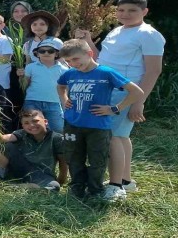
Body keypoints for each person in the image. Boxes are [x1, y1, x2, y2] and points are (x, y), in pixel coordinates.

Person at [77, 0, 165, 194]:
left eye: (132, 10)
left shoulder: (148, 34)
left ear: (144, 12)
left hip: (125, 92)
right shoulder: (116, 31)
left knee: (112, 137)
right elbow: (101, 60)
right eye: (121, 10)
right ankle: (126, 181)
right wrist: (89, 40)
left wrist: (138, 102)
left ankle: (115, 187)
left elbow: (153, 70)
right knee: (122, 137)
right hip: (107, 90)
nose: (125, 14)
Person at [57, 39, 144, 202]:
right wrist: (64, 99)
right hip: (72, 124)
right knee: (74, 158)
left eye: (75, 59)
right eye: (68, 61)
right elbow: (60, 86)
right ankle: (77, 187)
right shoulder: (70, 73)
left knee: (98, 159)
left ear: (89, 54)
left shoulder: (106, 73)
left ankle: (95, 190)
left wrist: (115, 108)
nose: (72, 64)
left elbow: (136, 92)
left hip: (97, 126)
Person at [0, 109, 68, 191]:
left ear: (45, 122)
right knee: (6, 146)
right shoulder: (22, 134)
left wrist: (61, 180)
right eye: (26, 123)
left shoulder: (56, 138)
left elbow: (63, 161)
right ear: (23, 126)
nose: (31, 125)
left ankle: (14, 187)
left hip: (41, 174)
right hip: (21, 167)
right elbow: (2, 139)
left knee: (54, 186)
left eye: (35, 121)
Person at [18, 38, 68, 133]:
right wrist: (21, 77)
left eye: (50, 51)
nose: (46, 53)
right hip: (32, 101)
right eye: (42, 51)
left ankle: (54, 147)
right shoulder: (30, 67)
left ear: (56, 54)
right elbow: (24, 86)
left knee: (58, 129)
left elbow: (65, 90)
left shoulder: (64, 69)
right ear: (37, 53)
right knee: (31, 129)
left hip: (54, 102)